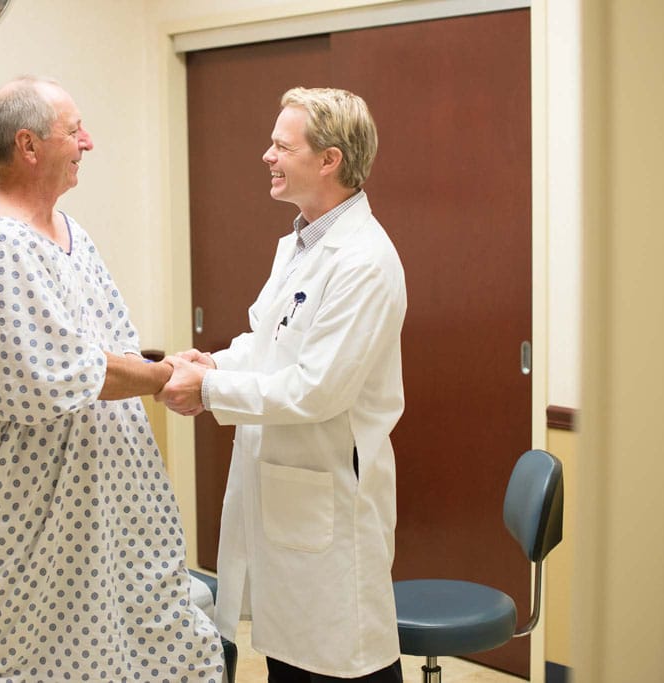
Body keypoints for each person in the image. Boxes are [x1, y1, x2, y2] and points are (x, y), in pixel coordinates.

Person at [0, 76, 224, 682]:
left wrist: (163, 365)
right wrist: (164, 377)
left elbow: (108, 349)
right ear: (28, 145)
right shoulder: (0, 244)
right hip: (36, 519)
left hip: (109, 505)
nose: (88, 142)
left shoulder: (73, 234)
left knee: (154, 647)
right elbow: (64, 371)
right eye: (74, 131)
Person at [157, 87, 407, 682]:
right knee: (291, 662)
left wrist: (208, 392)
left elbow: (316, 389)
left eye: (282, 146)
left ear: (329, 160)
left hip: (330, 506)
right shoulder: (302, 245)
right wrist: (214, 365)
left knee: (343, 661)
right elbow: (269, 344)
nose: (267, 156)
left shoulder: (363, 261)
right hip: (287, 499)